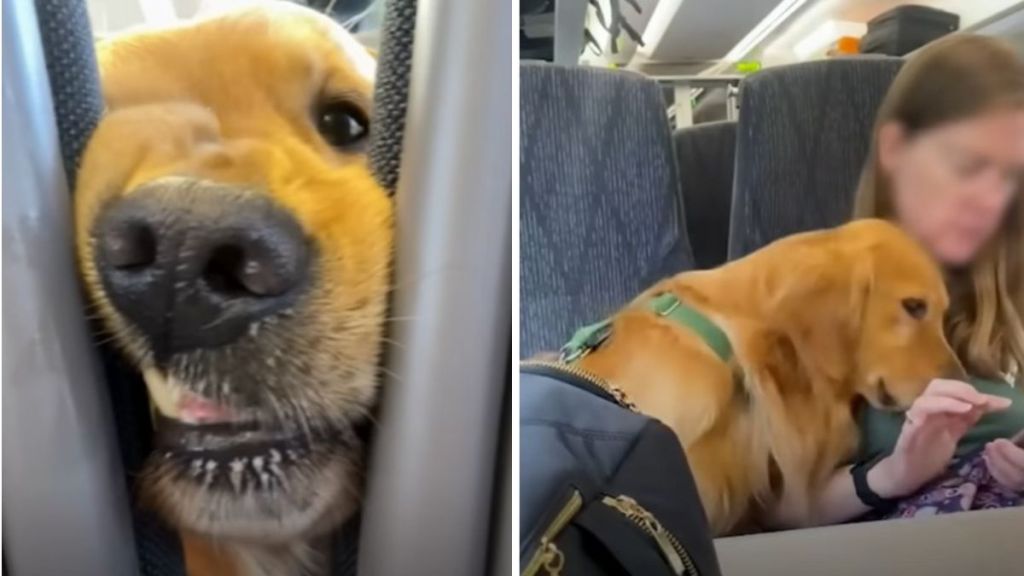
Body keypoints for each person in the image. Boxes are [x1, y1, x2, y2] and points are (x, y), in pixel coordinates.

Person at [784, 34, 1024, 527]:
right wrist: (895, 473)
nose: (989, 200)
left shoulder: (1013, 272)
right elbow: (777, 512)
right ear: (897, 151)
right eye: (965, 165)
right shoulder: (818, 295)